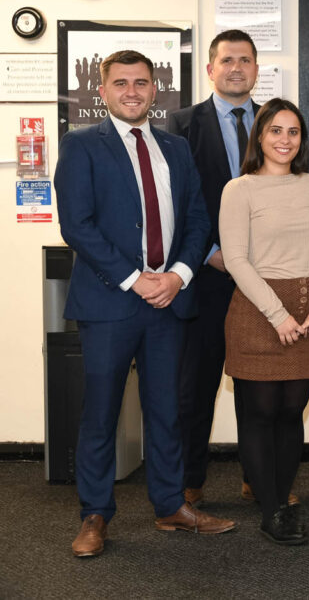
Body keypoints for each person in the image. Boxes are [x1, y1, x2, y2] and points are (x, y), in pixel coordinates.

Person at [55, 50, 236, 558]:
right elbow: (77, 226)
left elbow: (199, 219)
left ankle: (170, 506)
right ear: (104, 91)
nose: (132, 91)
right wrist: (137, 280)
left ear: (156, 91)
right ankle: (94, 515)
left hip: (169, 303)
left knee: (167, 411)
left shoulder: (175, 149)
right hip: (111, 303)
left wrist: (178, 276)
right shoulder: (81, 145)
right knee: (101, 413)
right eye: (121, 83)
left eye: (141, 82)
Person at [219, 98, 309, 545]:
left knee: (292, 411)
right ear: (260, 137)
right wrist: (277, 314)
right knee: (260, 413)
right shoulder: (240, 189)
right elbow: (235, 259)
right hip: (258, 310)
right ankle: (271, 510)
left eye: (293, 132)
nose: (285, 140)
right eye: (276, 131)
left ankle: (282, 499)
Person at [167, 29, 263, 509]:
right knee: (196, 384)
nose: (236, 68)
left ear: (256, 69)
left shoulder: (275, 122)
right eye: (227, 60)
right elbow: (175, 204)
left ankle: (259, 475)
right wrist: (209, 253)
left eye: (245, 59)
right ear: (210, 69)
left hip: (264, 280)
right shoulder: (180, 125)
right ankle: (190, 481)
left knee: (259, 385)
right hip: (204, 276)